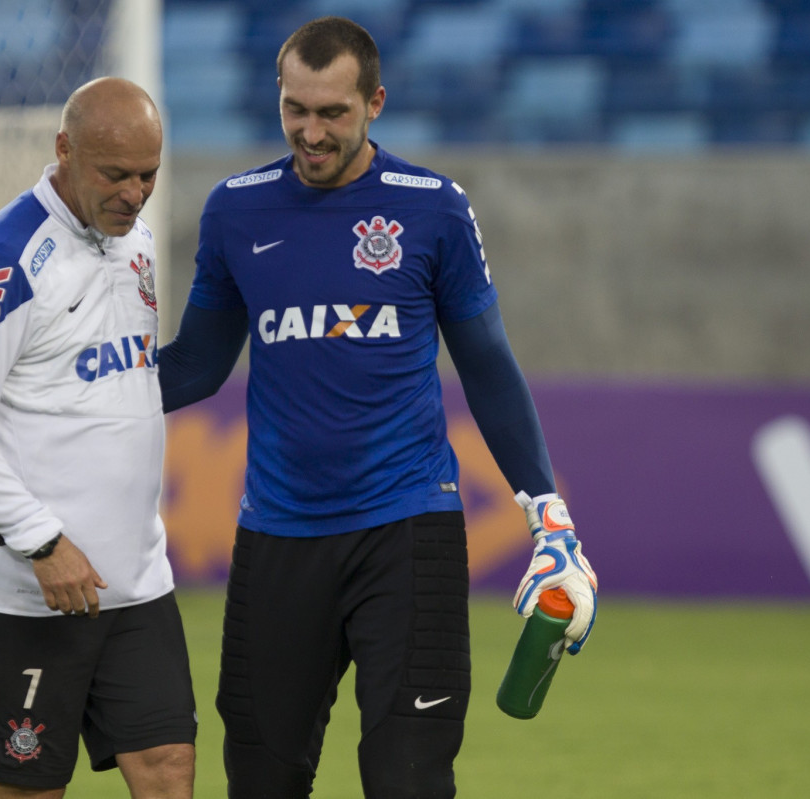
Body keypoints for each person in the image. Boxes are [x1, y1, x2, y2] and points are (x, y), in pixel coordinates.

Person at [158, 17, 598, 799]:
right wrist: (67, 389)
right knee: (260, 779)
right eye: (297, 108)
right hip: (278, 537)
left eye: (333, 112)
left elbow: (488, 366)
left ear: (376, 103)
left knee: (409, 780)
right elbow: (192, 368)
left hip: (408, 532)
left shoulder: (432, 208)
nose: (312, 131)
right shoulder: (236, 211)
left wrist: (549, 513)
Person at [0, 77, 195, 799]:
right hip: (29, 591)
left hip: (135, 579)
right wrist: (40, 539)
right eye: (116, 175)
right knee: (32, 786)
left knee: (169, 766)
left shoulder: (132, 238)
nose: (136, 195)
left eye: (148, 175)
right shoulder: (3, 257)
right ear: (64, 151)